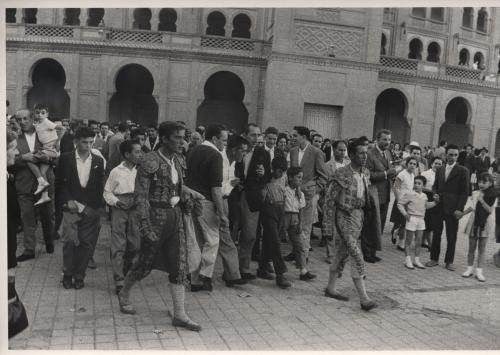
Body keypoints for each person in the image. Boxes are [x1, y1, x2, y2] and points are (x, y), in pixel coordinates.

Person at [117, 122, 203, 332]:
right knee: (144, 263)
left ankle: (180, 314)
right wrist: (145, 226)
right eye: (177, 138)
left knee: (179, 265)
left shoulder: (179, 160)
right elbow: (141, 196)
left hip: (175, 216)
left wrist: (188, 196)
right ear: (164, 139)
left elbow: (177, 187)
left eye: (183, 137)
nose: (182, 142)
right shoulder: (149, 160)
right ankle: (124, 293)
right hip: (155, 217)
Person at [322, 138, 377, 311]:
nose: (364, 156)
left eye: (365, 153)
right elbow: (329, 201)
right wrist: (328, 228)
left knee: (342, 253)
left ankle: (330, 288)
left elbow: (365, 197)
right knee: (356, 254)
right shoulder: (341, 173)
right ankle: (364, 298)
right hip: (343, 216)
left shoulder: (365, 173)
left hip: (358, 217)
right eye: (361, 153)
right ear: (351, 155)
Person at [56, 126, 105, 289]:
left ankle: (79, 275)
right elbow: (60, 184)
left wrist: (96, 208)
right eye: (85, 142)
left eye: (91, 142)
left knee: (86, 243)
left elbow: (99, 186)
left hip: (90, 208)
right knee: (69, 241)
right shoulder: (65, 158)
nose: (88, 146)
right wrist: (68, 200)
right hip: (71, 207)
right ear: (76, 142)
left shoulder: (98, 160)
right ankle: (68, 274)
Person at [186, 124, 227, 292]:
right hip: (206, 202)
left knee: (196, 241)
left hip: (189, 200)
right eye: (223, 140)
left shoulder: (192, 151)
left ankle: (194, 279)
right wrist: (222, 212)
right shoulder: (215, 155)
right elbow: (216, 188)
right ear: (215, 139)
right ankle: (205, 274)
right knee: (212, 240)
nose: (225, 144)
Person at [12, 109, 55, 261]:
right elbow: (8, 162)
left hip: (45, 181)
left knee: (48, 215)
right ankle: (29, 250)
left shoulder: (43, 134)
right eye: (19, 119)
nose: (22, 122)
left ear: (32, 119)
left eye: (25, 118)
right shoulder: (13, 137)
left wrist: (43, 157)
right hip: (24, 184)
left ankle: (49, 241)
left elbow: (55, 156)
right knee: (27, 217)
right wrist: (23, 157)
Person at [104, 140, 143, 295]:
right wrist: (117, 202)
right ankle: (119, 280)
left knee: (136, 244)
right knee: (118, 244)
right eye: (137, 152)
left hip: (136, 207)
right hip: (120, 207)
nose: (141, 155)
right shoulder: (116, 171)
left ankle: (127, 273)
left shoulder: (142, 171)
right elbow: (107, 192)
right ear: (127, 154)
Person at [426, 144, 470, 271]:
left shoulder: (463, 171)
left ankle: (449, 261)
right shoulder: (440, 169)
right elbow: (435, 186)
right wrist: (434, 194)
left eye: (455, 155)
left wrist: (459, 209)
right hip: (438, 206)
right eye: (450, 154)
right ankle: (434, 259)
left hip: (453, 208)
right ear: (445, 155)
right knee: (436, 234)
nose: (453, 157)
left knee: (451, 236)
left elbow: (464, 192)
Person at [237, 123, 272, 280]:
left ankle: (243, 269)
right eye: (253, 135)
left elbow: (268, 178)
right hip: (232, 196)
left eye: (258, 135)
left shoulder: (263, 153)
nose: (256, 138)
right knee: (229, 234)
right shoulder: (235, 149)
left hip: (251, 197)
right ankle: (231, 270)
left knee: (250, 234)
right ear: (245, 135)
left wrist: (264, 173)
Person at [289, 126, 328, 260]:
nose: (292, 138)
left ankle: (303, 257)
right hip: (293, 196)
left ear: (303, 137)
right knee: (294, 225)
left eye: (295, 135)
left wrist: (315, 190)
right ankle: (296, 252)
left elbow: (324, 175)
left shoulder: (316, 152)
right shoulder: (293, 151)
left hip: (308, 196)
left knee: (305, 227)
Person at [257, 156, 292, 288]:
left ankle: (262, 268)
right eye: (279, 171)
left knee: (268, 240)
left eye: (283, 171)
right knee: (275, 242)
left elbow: (289, 187)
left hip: (280, 209)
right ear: (272, 169)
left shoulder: (284, 177)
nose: (281, 174)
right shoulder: (266, 178)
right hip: (268, 210)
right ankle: (280, 275)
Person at [365, 129, 398, 262]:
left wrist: (392, 174)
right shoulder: (369, 154)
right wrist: (386, 174)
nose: (387, 142)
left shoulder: (388, 153)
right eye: (384, 139)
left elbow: (388, 171)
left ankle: (373, 251)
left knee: (380, 225)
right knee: (371, 224)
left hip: (385, 195)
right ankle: (367, 253)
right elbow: (368, 175)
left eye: (389, 140)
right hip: (374, 195)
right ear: (377, 139)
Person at [397, 175, 439, 269]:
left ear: (423, 186)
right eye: (415, 183)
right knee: (408, 241)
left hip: (421, 220)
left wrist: (435, 202)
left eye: (419, 183)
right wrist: (405, 214)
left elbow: (426, 206)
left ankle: (416, 260)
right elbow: (400, 204)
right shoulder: (410, 194)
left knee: (419, 241)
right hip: (412, 219)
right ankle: (407, 260)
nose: (416, 185)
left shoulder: (424, 196)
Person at [462, 172, 497, 281]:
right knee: (471, 247)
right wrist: (462, 214)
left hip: (485, 222)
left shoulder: (493, 194)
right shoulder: (475, 193)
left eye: (484, 182)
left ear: (490, 183)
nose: (481, 184)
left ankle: (479, 272)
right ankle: (469, 269)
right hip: (474, 221)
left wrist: (481, 200)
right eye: (479, 181)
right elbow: (472, 207)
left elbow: (490, 210)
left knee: (482, 249)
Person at [284, 166, 317, 281]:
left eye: (301, 178)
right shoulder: (284, 190)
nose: (300, 180)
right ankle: (269, 265)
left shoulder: (300, 193)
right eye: (298, 177)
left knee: (300, 245)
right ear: (290, 177)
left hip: (295, 218)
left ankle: (303, 271)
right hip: (284, 216)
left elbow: (301, 209)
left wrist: (300, 223)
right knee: (275, 241)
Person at [28, 103, 59, 206]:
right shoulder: (38, 124)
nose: (40, 115)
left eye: (43, 113)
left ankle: (41, 182)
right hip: (46, 150)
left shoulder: (46, 122)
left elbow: (62, 129)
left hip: (50, 150)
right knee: (42, 171)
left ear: (47, 114)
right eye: (37, 113)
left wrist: (57, 142)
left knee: (29, 159)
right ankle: (44, 195)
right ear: (34, 113)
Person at [391, 157, 418, 251]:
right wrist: (399, 201)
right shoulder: (402, 174)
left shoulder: (413, 175)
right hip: (401, 201)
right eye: (411, 163)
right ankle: (401, 244)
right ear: (407, 164)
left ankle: (396, 232)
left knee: (405, 223)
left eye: (414, 164)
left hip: (409, 202)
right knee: (403, 222)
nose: (412, 165)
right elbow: (395, 187)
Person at [421, 157, 444, 249]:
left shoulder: (443, 175)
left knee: (432, 221)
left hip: (437, 199)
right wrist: (432, 191)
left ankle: (423, 241)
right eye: (436, 163)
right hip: (427, 197)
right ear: (431, 164)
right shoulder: (425, 174)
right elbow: (419, 186)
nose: (437, 165)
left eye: (439, 164)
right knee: (428, 221)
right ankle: (430, 245)